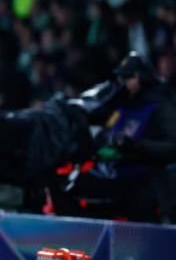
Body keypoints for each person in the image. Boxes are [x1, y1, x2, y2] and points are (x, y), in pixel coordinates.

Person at [65, 52, 176, 222]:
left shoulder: (161, 103)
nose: (123, 83)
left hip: (149, 188)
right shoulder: (124, 101)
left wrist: (135, 145)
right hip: (118, 181)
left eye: (128, 78)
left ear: (141, 77)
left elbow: (172, 147)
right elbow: (106, 132)